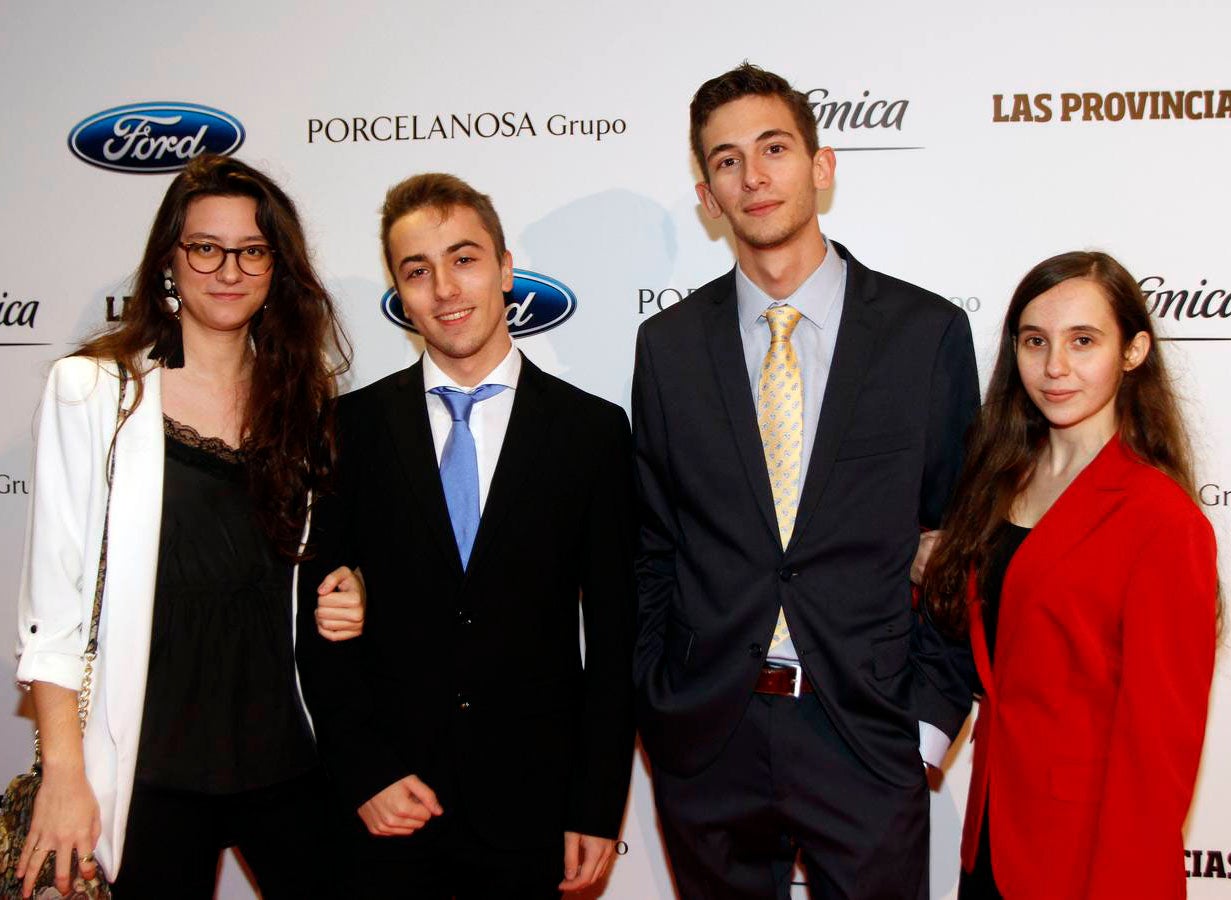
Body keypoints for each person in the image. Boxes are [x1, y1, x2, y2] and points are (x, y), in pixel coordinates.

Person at [632, 62, 980, 898]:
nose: (752, 176)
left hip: (864, 732)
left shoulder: (924, 334)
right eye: (725, 160)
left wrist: (926, 724)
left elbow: (962, 537)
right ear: (706, 197)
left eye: (773, 148)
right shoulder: (667, 347)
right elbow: (652, 544)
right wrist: (659, 703)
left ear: (820, 168)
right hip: (710, 734)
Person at [14, 153, 365, 898]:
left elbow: (320, 561)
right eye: (205, 246)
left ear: (277, 267)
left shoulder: (304, 405)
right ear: (170, 259)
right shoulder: (94, 392)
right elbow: (53, 611)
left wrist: (351, 585)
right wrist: (67, 777)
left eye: (252, 250)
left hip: (287, 752)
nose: (228, 268)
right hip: (151, 769)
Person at [295, 172, 636, 898]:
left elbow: (614, 641)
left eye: (464, 258)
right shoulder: (346, 431)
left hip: (532, 807)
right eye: (417, 271)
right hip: (388, 809)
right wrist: (365, 773)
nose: (445, 288)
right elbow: (316, 622)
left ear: (506, 269)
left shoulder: (592, 432)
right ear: (398, 291)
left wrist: (596, 802)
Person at [920, 251, 1218, 900]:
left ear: (1133, 351)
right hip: (991, 839)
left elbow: (1154, 754)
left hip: (1086, 859)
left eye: (1082, 341)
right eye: (1035, 341)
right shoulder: (997, 487)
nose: (1054, 367)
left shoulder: (1160, 520)